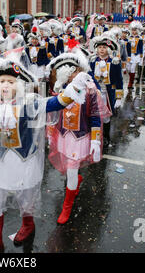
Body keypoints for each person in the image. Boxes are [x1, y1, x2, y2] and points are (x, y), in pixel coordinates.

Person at [0, 56, 95, 252]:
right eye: (1, 81)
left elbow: (56, 103)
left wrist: (75, 89)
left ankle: (28, 226)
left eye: (10, 82)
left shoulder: (29, 103)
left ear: (18, 85)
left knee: (25, 200)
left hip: (24, 161)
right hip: (0, 161)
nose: (5, 85)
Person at [45, 50, 109, 225]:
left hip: (81, 136)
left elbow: (95, 115)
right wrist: (51, 133)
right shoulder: (59, 89)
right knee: (68, 166)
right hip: (64, 136)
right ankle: (75, 182)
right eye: (68, 71)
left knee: (72, 169)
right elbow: (53, 114)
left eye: (74, 70)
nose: (71, 75)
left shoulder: (90, 89)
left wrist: (96, 140)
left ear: (81, 69)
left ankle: (67, 206)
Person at [89, 35, 123, 147]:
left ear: (108, 49)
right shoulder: (93, 61)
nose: (101, 50)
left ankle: (106, 136)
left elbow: (119, 79)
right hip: (95, 92)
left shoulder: (114, 62)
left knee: (106, 116)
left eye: (104, 47)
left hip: (108, 92)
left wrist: (118, 97)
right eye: (99, 47)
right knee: (94, 114)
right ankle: (94, 136)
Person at [126, 21, 143, 88]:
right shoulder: (128, 38)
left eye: (135, 30)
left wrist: (141, 55)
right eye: (132, 30)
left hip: (136, 55)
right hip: (129, 55)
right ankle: (131, 78)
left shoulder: (139, 38)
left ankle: (131, 83)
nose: (133, 32)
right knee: (128, 68)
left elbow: (140, 47)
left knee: (133, 68)